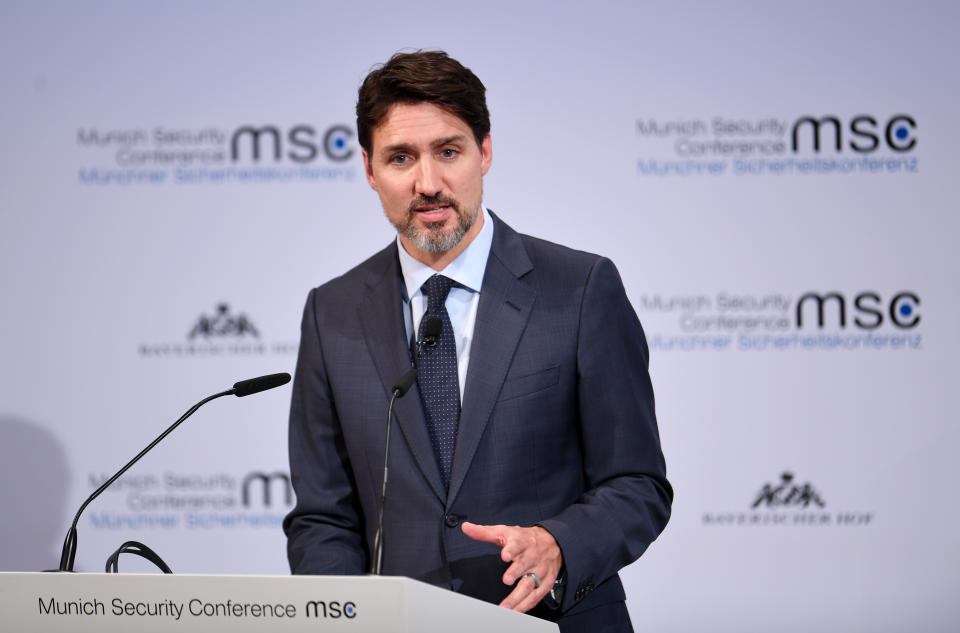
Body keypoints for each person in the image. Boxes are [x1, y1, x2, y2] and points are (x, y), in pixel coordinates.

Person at [283, 50, 672, 633]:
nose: (428, 184)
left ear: (484, 151)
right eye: (400, 158)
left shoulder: (580, 289)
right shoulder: (331, 313)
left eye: (448, 152)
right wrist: (345, 617)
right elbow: (323, 518)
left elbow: (637, 484)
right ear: (368, 169)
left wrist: (558, 543)